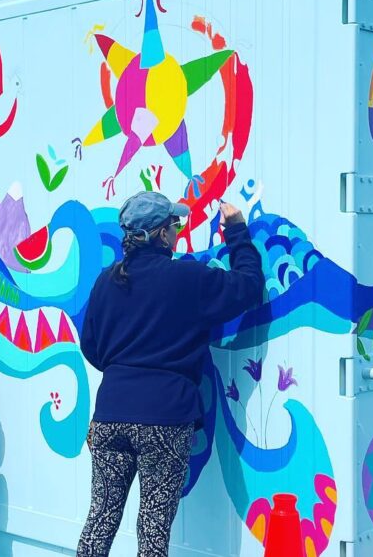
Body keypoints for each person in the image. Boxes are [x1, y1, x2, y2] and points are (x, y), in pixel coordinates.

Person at [77, 192, 265, 557]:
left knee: (99, 520)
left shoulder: (106, 281)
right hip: (164, 417)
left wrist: (125, 372)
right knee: (152, 531)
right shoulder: (187, 278)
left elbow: (91, 346)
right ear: (162, 234)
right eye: (175, 225)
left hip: (110, 415)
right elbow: (248, 286)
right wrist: (237, 231)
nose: (178, 232)